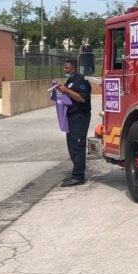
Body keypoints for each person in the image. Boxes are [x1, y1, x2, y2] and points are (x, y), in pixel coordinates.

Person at [56, 58, 92, 186]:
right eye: (64, 68)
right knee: (71, 146)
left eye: (67, 68)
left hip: (80, 117)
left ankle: (78, 176)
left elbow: (82, 98)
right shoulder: (70, 81)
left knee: (78, 145)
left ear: (74, 68)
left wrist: (65, 90)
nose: (64, 70)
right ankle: (75, 173)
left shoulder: (81, 81)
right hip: (71, 117)